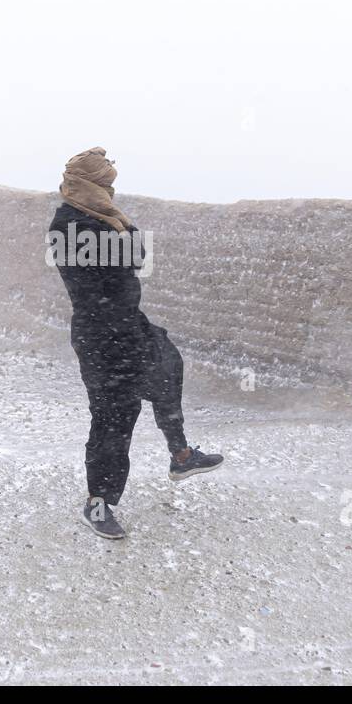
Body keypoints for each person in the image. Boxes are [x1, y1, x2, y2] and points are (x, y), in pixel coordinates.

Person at [48, 147, 224, 539]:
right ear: (90, 184)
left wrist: (123, 237)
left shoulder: (102, 217)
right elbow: (132, 254)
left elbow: (134, 255)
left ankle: (180, 455)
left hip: (128, 324)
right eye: (106, 184)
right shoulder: (69, 222)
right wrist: (124, 238)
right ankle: (98, 503)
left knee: (168, 366)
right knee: (114, 416)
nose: (111, 191)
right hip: (100, 334)